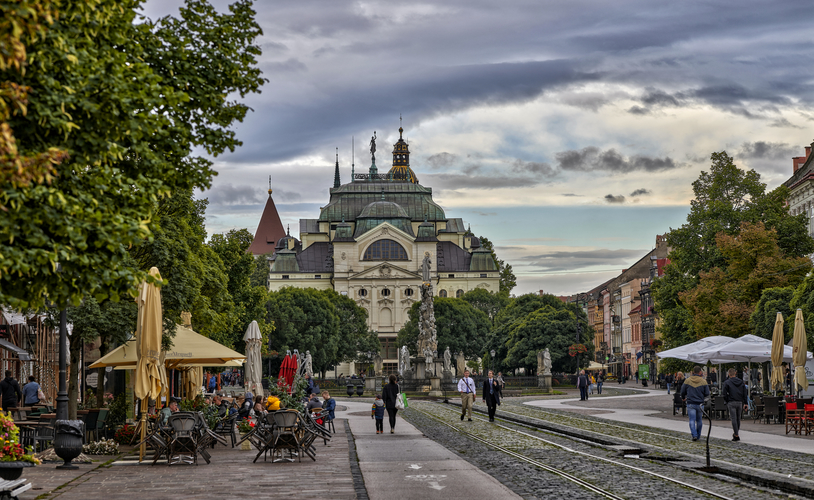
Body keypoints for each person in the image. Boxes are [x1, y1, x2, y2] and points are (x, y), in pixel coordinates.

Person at [680, 365, 710, 441]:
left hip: (690, 403)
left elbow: (682, 391)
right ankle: (698, 435)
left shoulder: (687, 380)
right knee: (699, 420)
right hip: (700, 404)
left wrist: (683, 398)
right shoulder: (703, 381)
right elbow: (707, 393)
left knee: (692, 420)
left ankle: (694, 435)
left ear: (693, 372)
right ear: (700, 372)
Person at [722, 367, 748, 441]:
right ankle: (736, 433)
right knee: (738, 418)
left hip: (731, 401)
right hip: (739, 402)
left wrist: (727, 400)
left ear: (729, 374)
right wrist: (745, 402)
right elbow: (744, 393)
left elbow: (724, 394)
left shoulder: (727, 382)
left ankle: (736, 434)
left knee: (733, 418)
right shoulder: (741, 382)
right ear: (735, 373)